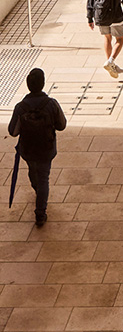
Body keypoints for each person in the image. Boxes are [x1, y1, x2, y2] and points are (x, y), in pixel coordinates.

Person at [8, 68, 66, 227]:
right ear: (43, 84)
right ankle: (40, 212)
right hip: (46, 149)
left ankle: (38, 191)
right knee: (44, 178)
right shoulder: (51, 104)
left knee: (33, 172)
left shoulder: (20, 107)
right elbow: (62, 125)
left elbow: (13, 131)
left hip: (28, 150)